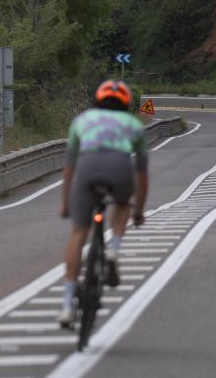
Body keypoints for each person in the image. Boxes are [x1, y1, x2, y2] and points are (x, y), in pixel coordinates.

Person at [58, 80, 149, 327]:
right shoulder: (134, 125)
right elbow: (142, 177)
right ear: (126, 104)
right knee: (121, 203)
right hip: (119, 168)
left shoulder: (82, 120)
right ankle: (113, 250)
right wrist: (138, 211)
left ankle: (67, 305)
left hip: (87, 169)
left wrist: (65, 203)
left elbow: (69, 168)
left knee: (78, 232)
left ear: (97, 100)